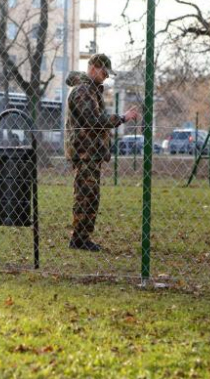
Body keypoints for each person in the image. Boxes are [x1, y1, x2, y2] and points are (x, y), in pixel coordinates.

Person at [65, 53, 140, 251]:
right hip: (84, 153)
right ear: (94, 68)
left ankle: (82, 238)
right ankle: (79, 239)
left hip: (90, 153)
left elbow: (96, 119)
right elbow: (93, 121)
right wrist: (122, 118)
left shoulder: (91, 91)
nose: (106, 76)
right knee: (85, 196)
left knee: (90, 196)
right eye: (105, 72)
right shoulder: (82, 92)